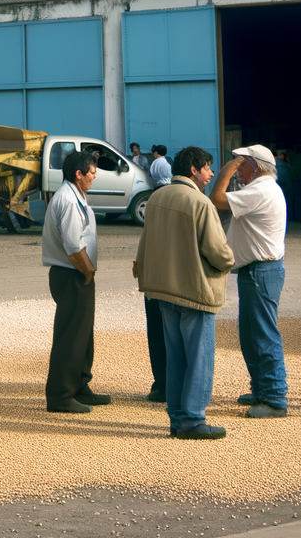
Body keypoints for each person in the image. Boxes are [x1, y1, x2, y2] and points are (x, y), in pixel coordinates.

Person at [134, 145, 233, 439]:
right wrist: (231, 260)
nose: (211, 174)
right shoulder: (200, 203)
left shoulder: (156, 198)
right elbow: (219, 253)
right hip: (195, 291)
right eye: (207, 168)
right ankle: (193, 419)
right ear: (193, 170)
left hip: (164, 290)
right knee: (199, 358)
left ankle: (177, 417)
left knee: (175, 357)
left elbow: (146, 242)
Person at [207, 144, 289, 418]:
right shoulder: (262, 188)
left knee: (262, 334)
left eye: (241, 164)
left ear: (255, 166)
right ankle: (262, 389)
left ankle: (275, 398)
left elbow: (217, 199)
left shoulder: (261, 189)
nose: (238, 170)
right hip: (258, 270)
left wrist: (226, 170)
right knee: (252, 334)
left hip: (260, 271)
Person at [43, 149, 108, 414]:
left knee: (82, 334)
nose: (95, 176)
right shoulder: (69, 200)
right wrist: (88, 271)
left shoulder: (75, 195)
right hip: (72, 273)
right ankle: (61, 396)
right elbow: (73, 245)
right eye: (92, 172)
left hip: (75, 273)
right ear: (78, 174)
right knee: (71, 336)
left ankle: (80, 386)